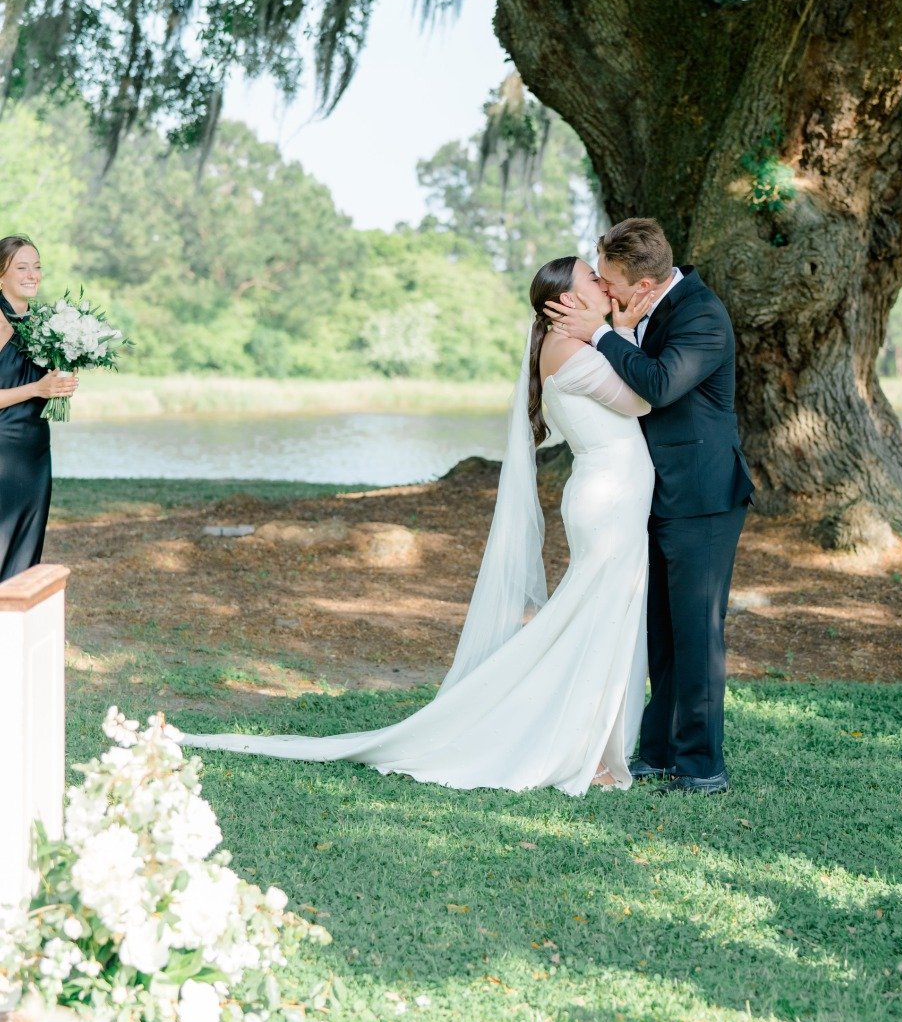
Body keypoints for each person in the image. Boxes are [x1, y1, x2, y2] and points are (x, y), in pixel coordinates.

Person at [180, 257, 656, 795]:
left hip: (617, 497)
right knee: (586, 621)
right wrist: (617, 331)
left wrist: (610, 334)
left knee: (601, 618)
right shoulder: (568, 348)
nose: (602, 281)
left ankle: (586, 742)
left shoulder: (578, 344)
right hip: (606, 501)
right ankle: (572, 746)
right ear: (565, 301)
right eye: (591, 278)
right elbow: (640, 399)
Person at [546, 218, 753, 794]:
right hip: (654, 493)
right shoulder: (640, 312)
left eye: (609, 282)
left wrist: (602, 334)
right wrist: (614, 330)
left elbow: (660, 386)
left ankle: (702, 766)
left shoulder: (702, 314)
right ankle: (658, 751)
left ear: (641, 285)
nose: (604, 292)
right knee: (661, 633)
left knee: (697, 631)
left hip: (702, 496)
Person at [0, 237, 77, 583]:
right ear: (1, 275)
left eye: (37, 266)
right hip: (3, 451)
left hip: (35, 452)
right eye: (22, 267)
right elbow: (29, 387)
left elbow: (40, 384)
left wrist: (58, 384)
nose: (33, 274)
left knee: (27, 548)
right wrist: (36, 388)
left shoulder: (43, 324)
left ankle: (12, 631)